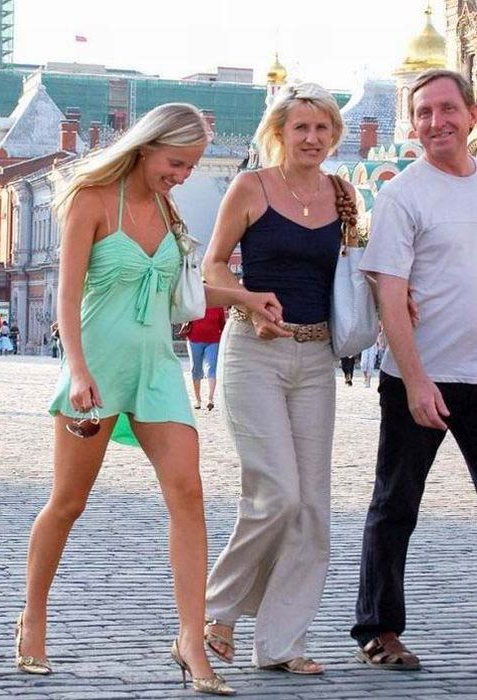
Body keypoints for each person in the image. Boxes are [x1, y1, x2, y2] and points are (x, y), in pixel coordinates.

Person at [17, 102, 282, 695]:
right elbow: (67, 296)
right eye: (175, 163)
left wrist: (244, 296)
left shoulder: (168, 209)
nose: (181, 176)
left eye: (190, 167)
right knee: (68, 502)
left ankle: (191, 638)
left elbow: (180, 289)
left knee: (189, 494)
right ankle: (32, 616)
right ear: (146, 147)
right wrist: (77, 369)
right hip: (98, 367)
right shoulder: (91, 200)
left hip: (158, 368)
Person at [202, 83, 361, 674]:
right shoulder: (252, 187)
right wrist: (247, 300)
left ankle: (280, 643)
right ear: (280, 133)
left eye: (322, 128)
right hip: (254, 353)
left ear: (334, 135)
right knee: (276, 494)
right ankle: (216, 611)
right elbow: (212, 266)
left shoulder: (343, 193)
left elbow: (353, 269)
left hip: (317, 359)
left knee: (311, 508)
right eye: (301, 128)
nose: (312, 138)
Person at [351, 69, 477, 670]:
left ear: (472, 115)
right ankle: (378, 628)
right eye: (424, 112)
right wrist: (416, 379)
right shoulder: (403, 193)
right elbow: (390, 294)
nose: (436, 122)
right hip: (420, 376)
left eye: (447, 109)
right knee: (396, 504)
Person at [186, 307, 226, 410]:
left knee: (212, 368)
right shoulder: (194, 302)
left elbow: (222, 324)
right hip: (194, 340)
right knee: (196, 369)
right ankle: (198, 400)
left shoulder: (218, 306)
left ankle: (210, 399)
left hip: (213, 341)